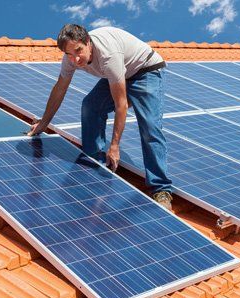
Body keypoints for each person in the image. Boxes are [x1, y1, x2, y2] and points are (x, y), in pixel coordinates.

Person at [28, 24, 173, 210]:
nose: (76, 59)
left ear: (88, 42)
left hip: (146, 71)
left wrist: (114, 146)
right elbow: (60, 88)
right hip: (120, 73)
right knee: (91, 106)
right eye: (69, 54)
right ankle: (93, 162)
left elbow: (121, 105)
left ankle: (161, 189)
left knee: (150, 127)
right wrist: (44, 123)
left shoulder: (108, 55)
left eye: (79, 50)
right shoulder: (70, 59)